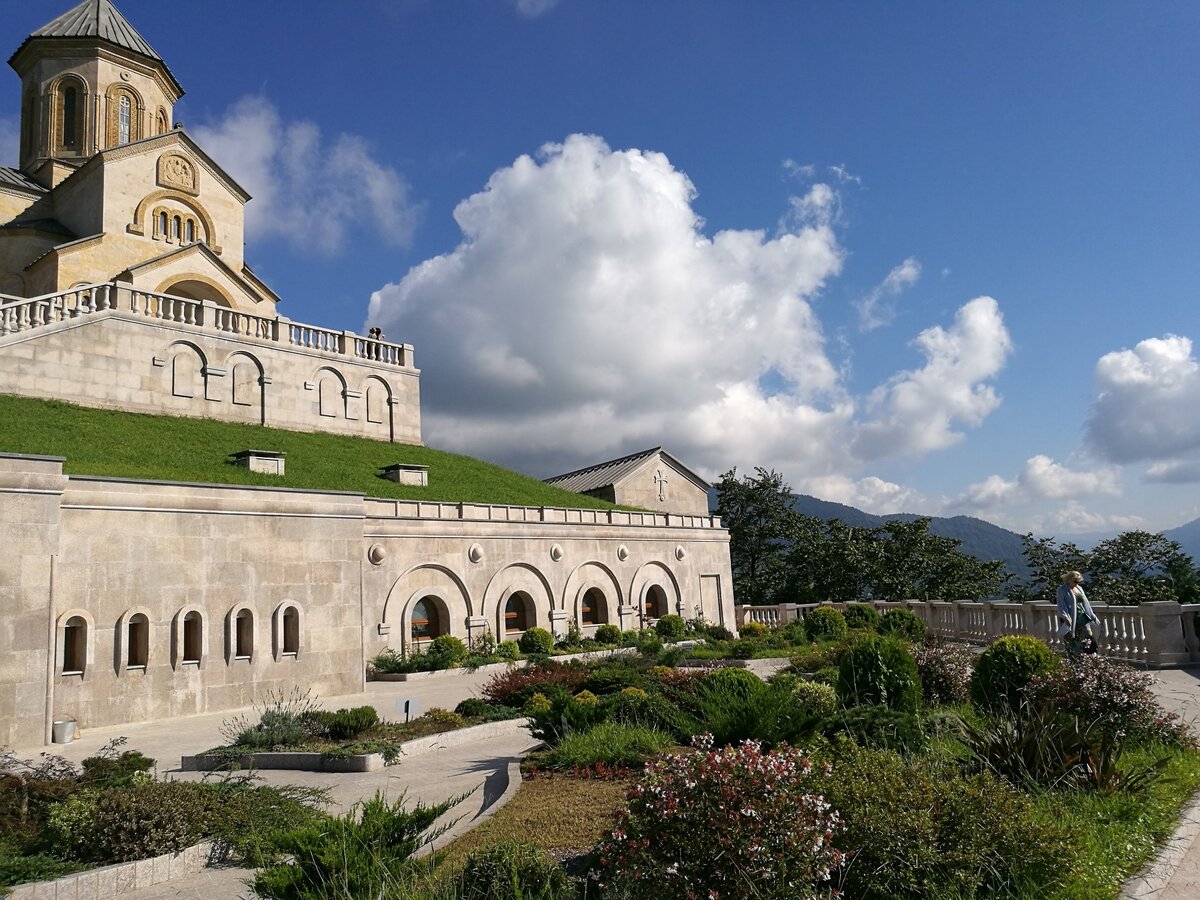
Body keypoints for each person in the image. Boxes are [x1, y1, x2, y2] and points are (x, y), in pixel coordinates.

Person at [1056, 570, 1099, 656]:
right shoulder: (1062, 590)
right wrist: (1065, 617)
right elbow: (1061, 605)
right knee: (1072, 639)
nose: (1077, 583)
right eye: (1075, 581)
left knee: (1088, 636)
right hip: (1071, 617)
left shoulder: (1079, 588)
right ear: (1069, 579)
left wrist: (1091, 615)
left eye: (1078, 582)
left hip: (1082, 616)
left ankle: (1088, 657)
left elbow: (1085, 602)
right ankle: (1074, 659)